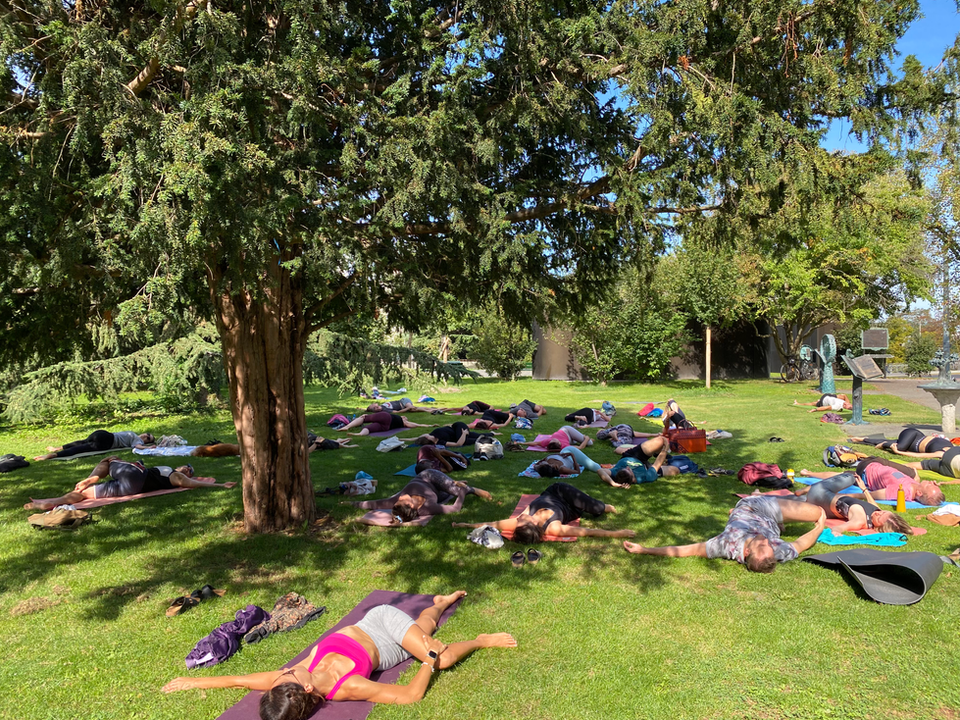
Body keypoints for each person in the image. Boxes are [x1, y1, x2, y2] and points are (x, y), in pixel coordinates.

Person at [162, 591, 516, 715]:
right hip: (387, 652)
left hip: (378, 620)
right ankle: (480, 638)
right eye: (290, 675)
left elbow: (240, 679)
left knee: (424, 631)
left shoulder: (289, 679)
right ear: (307, 690)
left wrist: (196, 681)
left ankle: (442, 605)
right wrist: (429, 661)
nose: (286, 670)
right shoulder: (346, 688)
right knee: (437, 646)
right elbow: (410, 695)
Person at [623, 496, 827, 573]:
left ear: (747, 550)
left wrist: (645, 549)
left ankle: (766, 499)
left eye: (762, 545)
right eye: (767, 545)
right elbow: (801, 544)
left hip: (751, 509)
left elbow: (688, 550)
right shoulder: (777, 552)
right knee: (817, 512)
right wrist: (819, 526)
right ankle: (781, 503)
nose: (767, 542)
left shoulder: (726, 545)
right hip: (764, 513)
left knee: (808, 508)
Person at [452, 482, 635, 543]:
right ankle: (604, 506)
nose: (519, 517)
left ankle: (597, 503)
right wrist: (618, 533)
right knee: (597, 510)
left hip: (556, 490)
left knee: (594, 505)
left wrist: (465, 525)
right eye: (523, 520)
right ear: (532, 524)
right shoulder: (554, 528)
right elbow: (589, 532)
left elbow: (493, 524)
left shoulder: (521, 522)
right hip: (572, 504)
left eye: (520, 519)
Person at [23, 457, 235, 510]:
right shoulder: (168, 473)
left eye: (190, 470)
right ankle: (51, 503)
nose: (188, 469)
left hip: (136, 477)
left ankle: (93, 475)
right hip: (128, 488)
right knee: (85, 494)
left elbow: (186, 483)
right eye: (187, 466)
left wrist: (218, 485)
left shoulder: (171, 475)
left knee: (109, 459)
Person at [790, 471, 913, 535]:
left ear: (878, 527)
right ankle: (804, 496)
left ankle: (808, 489)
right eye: (883, 513)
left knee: (850, 477)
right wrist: (864, 489)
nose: (878, 513)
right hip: (821, 502)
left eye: (879, 517)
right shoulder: (876, 514)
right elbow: (873, 505)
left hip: (819, 493)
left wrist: (837, 532)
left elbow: (839, 528)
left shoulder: (860, 520)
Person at [349, 469, 492, 523]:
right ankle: (463, 486)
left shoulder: (396, 501)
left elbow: (373, 504)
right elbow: (455, 509)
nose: (398, 497)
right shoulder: (428, 508)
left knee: (453, 490)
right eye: (401, 500)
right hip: (437, 492)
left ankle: (472, 489)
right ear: (410, 505)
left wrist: (350, 504)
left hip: (429, 476)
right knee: (455, 492)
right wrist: (463, 491)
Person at [797, 456, 945, 506]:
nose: (931, 482)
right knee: (913, 472)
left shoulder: (901, 492)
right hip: (880, 463)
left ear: (919, 492)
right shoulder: (915, 484)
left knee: (843, 475)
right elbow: (918, 479)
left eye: (930, 485)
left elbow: (871, 495)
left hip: (867, 470)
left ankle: (810, 473)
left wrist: (849, 496)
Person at [33, 430, 156, 461]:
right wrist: (148, 447)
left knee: (82, 443)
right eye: (148, 434)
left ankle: (56, 451)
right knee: (82, 447)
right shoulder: (135, 437)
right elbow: (137, 447)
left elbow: (137, 446)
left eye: (148, 439)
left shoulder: (136, 439)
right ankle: (55, 452)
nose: (146, 436)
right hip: (106, 439)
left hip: (102, 434)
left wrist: (147, 447)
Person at [534, 447, 623, 488]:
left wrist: (544, 462)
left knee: (594, 466)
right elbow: (577, 471)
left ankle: (614, 468)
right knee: (595, 467)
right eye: (552, 466)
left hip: (566, 450)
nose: (551, 464)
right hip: (572, 453)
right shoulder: (562, 469)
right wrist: (572, 457)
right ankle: (615, 470)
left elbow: (536, 465)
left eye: (548, 464)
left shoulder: (544, 463)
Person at [608, 437, 678, 486]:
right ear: (633, 480)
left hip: (633, 456)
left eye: (625, 468)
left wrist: (613, 483)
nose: (628, 467)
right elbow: (656, 464)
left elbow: (600, 471)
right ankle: (657, 457)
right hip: (646, 468)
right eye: (628, 470)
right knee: (675, 470)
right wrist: (665, 450)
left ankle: (655, 453)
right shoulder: (644, 477)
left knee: (660, 440)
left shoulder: (615, 472)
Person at [849, 427, 954, 458]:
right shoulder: (953, 447)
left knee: (897, 445)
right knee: (900, 446)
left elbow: (920, 456)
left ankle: (861, 439)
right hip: (913, 434)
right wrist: (899, 451)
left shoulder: (941, 454)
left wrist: (900, 453)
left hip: (908, 442)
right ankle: (885, 445)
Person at [336, 412, 435, 436]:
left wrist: (428, 426)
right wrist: (428, 426)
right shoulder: (403, 423)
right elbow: (417, 425)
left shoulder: (403, 421)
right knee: (370, 428)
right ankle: (360, 434)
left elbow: (415, 424)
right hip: (386, 427)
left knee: (364, 418)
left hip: (387, 417)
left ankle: (347, 426)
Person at [406, 422, 497, 447]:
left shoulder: (431, 435)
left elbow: (416, 438)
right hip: (461, 433)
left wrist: (402, 439)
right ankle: (489, 435)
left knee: (463, 439)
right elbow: (458, 444)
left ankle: (486, 438)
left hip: (458, 426)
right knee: (468, 438)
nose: (428, 435)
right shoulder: (440, 442)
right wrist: (464, 434)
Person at [521, 425, 592, 452]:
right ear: (560, 444)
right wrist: (586, 438)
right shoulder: (565, 446)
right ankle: (580, 437)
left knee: (589, 443)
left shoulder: (548, 441)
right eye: (554, 440)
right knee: (588, 442)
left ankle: (577, 436)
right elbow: (580, 447)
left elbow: (535, 443)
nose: (552, 439)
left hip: (567, 430)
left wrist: (522, 443)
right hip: (568, 439)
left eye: (552, 440)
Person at [366, 398, 434, 414]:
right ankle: (432, 409)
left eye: (375, 406)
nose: (376, 407)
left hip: (403, 401)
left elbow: (373, 405)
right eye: (375, 409)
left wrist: (408, 408)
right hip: (404, 405)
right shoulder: (385, 410)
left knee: (412, 409)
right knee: (413, 409)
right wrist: (407, 408)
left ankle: (429, 410)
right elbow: (397, 412)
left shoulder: (381, 406)